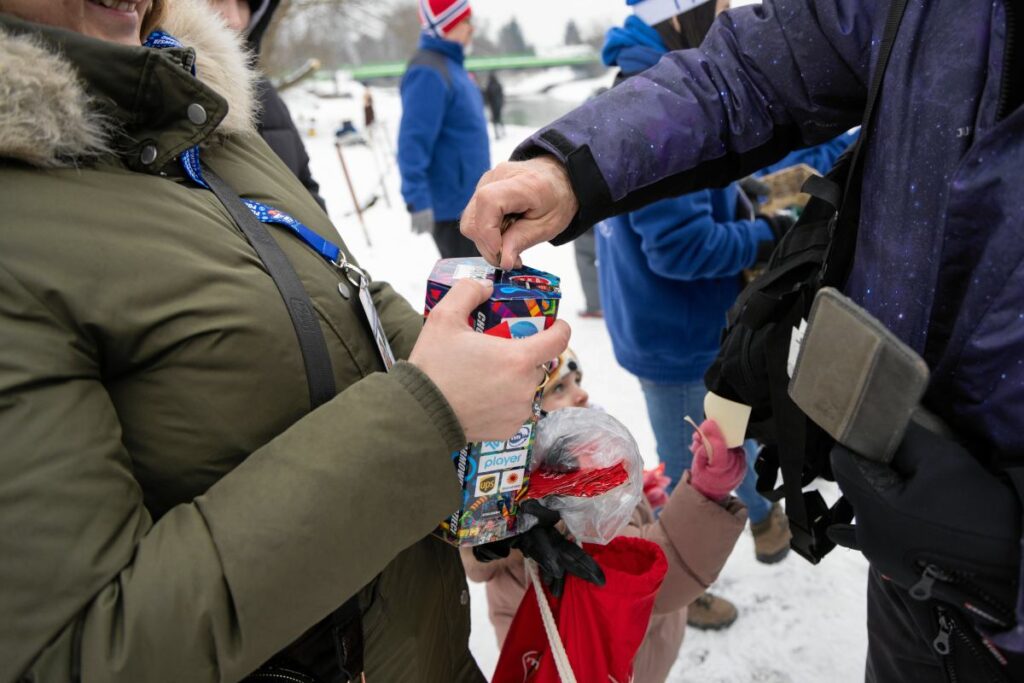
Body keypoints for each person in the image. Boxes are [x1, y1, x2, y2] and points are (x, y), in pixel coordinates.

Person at [0, 1, 572, 681]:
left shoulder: (207, 115)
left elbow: (339, 299)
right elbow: (83, 649)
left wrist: (510, 409)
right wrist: (430, 414)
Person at [460, 0, 1024, 680]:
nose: (734, 8)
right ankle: (745, 525)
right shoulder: (522, 511)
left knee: (703, 451)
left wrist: (699, 500)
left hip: (982, 569)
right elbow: (737, 105)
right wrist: (574, 168)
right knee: (693, 435)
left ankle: (743, 517)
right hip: (686, 346)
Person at [594, 1, 856, 625]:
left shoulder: (667, 83)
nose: (729, 15)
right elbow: (680, 246)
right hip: (671, 333)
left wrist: (760, 194)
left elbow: (715, 182)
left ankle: (763, 522)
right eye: (718, 5)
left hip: (688, 323)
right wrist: (770, 236)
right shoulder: (653, 108)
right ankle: (673, 592)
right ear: (681, 13)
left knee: (727, 432)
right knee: (692, 462)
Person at [463, 350, 748, 683]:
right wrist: (705, 492)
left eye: (577, 381)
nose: (581, 393)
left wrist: (636, 500)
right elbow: (657, 575)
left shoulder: (500, 495)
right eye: (558, 389)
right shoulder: (568, 504)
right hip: (610, 661)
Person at [209, 0, 327, 210]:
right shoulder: (151, 99)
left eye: (244, 4)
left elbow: (306, 194)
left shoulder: (266, 94)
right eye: (215, 0)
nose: (235, 21)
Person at [398, 0, 489, 258]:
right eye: (465, 22)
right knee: (469, 286)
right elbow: (413, 141)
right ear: (445, 25)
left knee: (484, 283)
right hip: (452, 210)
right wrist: (417, 198)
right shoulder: (428, 71)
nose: (471, 29)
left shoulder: (454, 67)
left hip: (472, 200)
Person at [484, 71, 505, 140]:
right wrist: (502, 102)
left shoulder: (488, 86)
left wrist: (487, 104)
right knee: (499, 118)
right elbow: (502, 95)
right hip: (498, 104)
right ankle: (503, 131)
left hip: (493, 105)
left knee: (495, 119)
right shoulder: (498, 84)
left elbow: (487, 97)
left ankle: (497, 134)